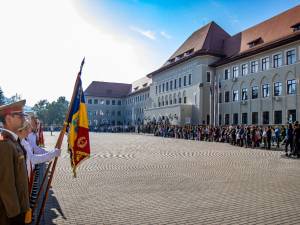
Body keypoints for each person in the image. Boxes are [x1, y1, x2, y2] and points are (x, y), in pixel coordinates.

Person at [0, 100, 30, 225]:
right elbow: (6, 184)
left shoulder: (12, 141)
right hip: (11, 214)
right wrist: (15, 215)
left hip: (19, 207)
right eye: (20, 115)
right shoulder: (5, 144)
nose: (23, 118)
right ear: (8, 118)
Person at [16, 120, 61, 190]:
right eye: (28, 129)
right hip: (24, 176)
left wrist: (51, 153)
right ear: (22, 130)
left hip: (29, 172)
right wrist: (52, 154)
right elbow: (33, 159)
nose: (29, 132)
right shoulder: (20, 143)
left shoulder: (24, 141)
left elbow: (35, 151)